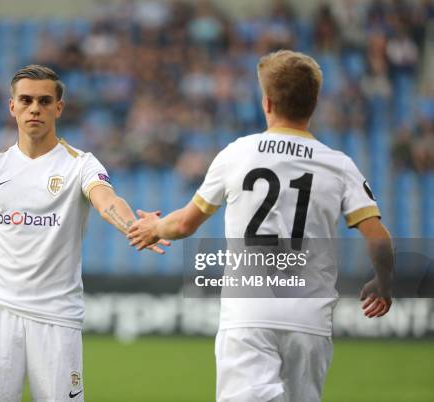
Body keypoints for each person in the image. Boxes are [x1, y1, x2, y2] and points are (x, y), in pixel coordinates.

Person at [127, 50, 393, 402]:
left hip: (248, 314)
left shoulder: (237, 153)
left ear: (266, 102)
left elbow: (185, 224)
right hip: (309, 319)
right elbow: (378, 237)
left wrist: (154, 228)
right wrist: (384, 282)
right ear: (313, 103)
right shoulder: (339, 165)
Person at [0, 65, 169, 402]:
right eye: (25, 100)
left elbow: (106, 199)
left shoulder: (80, 165)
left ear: (58, 108)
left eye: (44, 100)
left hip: (56, 317)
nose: (34, 108)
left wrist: (134, 226)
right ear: (12, 106)